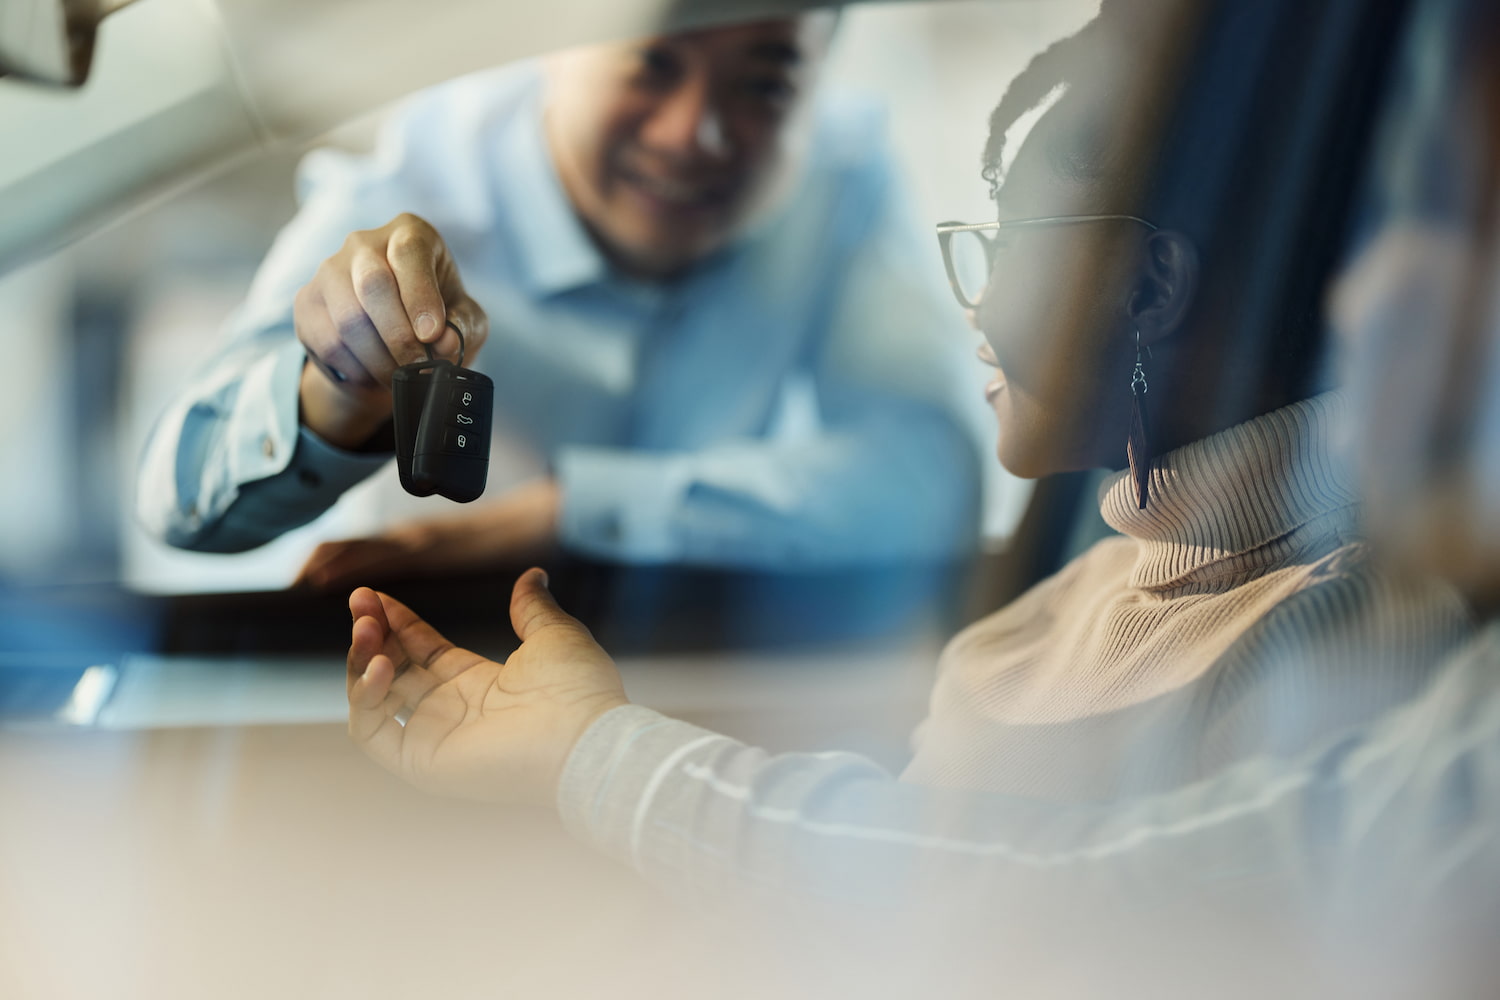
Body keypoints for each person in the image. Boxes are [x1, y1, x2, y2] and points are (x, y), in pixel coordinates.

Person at [342, 0, 1500, 989]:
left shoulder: (1349, 629)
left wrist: (590, 753)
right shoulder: (1052, 611)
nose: (973, 307)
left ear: (1148, 281)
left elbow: (1031, 917)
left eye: (999, 247)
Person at [134, 15, 984, 584]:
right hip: (436, 686)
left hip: (718, 690)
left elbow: (931, 478)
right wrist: (336, 393)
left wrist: (572, 515)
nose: (696, 133)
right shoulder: (420, 184)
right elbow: (176, 503)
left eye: (764, 85)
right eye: (653, 62)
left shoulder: (842, 180)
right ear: (551, 31)